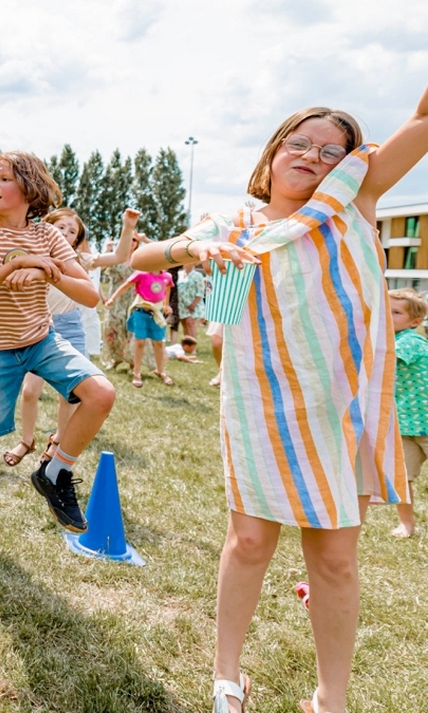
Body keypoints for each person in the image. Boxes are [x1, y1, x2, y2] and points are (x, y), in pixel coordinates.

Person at [133, 102, 428, 713]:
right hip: (261, 404)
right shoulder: (233, 223)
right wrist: (192, 252)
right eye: (301, 142)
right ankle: (226, 679)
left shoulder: (352, 202)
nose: (312, 157)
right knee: (248, 543)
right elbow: (144, 258)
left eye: (330, 152)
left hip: (341, 409)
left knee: (337, 560)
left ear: (346, 169)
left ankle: (330, 699)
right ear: (273, 151)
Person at [0, 152, 116, 584]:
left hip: (41, 341)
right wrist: (13, 266)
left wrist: (48, 272)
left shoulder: (47, 236)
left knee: (101, 393)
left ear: (29, 187)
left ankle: (55, 471)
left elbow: (88, 295)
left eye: (4, 177)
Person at [5, 207, 138, 467]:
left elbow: (120, 255)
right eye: (61, 227)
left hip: (70, 326)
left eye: (72, 231)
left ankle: (58, 442)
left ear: (77, 240)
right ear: (47, 226)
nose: (65, 233)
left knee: (70, 395)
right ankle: (27, 440)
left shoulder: (80, 259)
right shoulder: (34, 253)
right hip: (39, 325)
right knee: (30, 391)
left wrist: (128, 226)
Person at [387, 288, 428, 539]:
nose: (388, 316)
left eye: (396, 312)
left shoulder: (410, 341)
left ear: (415, 321)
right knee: (403, 477)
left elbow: (387, 360)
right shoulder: (393, 340)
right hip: (405, 424)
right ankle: (407, 523)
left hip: (424, 420)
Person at [104, 260, 174, 387]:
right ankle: (137, 372)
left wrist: (166, 304)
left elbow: (167, 288)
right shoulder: (141, 274)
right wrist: (112, 299)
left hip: (156, 313)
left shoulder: (166, 277)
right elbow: (125, 285)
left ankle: (160, 370)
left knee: (159, 342)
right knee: (140, 341)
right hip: (141, 312)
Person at [176, 260, 206, 339]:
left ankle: (193, 346)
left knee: (190, 323)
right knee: (184, 325)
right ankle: (187, 345)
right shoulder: (180, 274)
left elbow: (200, 291)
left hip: (193, 304)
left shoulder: (198, 275)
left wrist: (193, 304)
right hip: (182, 304)